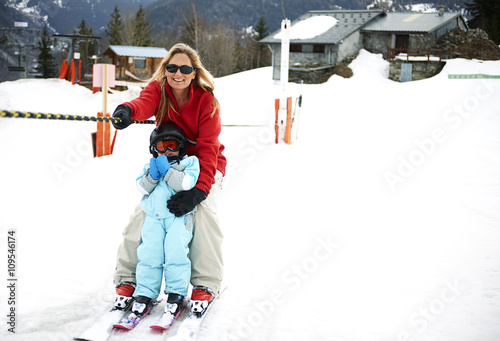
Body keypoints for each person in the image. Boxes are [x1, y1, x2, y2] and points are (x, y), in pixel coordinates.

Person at [111, 43, 226, 313]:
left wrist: (199, 191)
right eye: (172, 67)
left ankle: (205, 283)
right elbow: (143, 103)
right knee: (144, 213)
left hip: (203, 167)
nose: (178, 73)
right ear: (165, 69)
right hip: (169, 163)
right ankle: (128, 278)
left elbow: (209, 148)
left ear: (194, 72)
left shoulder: (206, 100)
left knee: (203, 213)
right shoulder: (159, 90)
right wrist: (128, 110)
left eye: (185, 68)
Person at [124, 123, 199, 321]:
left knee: (176, 254)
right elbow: (142, 188)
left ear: (180, 147)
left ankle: (176, 293)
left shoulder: (190, 163)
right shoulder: (150, 167)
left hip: (178, 219)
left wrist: (168, 172)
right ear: (153, 149)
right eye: (161, 146)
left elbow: (186, 184)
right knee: (149, 254)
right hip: (154, 220)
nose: (166, 150)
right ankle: (146, 292)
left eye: (171, 145)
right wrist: (153, 175)